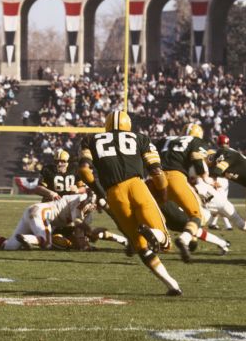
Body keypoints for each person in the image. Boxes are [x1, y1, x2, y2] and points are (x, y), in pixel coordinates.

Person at [77, 110, 183, 296]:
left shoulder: (91, 139)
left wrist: (100, 193)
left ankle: (172, 284)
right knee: (165, 242)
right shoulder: (140, 138)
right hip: (136, 186)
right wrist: (164, 192)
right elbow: (157, 172)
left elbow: (85, 172)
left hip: (113, 194)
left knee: (140, 245)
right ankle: (154, 234)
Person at [156, 124, 230, 260]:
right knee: (196, 216)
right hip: (175, 179)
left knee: (167, 220)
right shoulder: (195, 142)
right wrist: (206, 177)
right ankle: (185, 239)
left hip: (155, 180)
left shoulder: (166, 139)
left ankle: (136, 240)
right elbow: (196, 157)